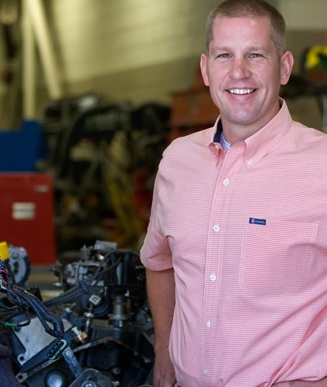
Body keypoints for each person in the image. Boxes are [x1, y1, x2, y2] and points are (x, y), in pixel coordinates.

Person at [140, 0, 327, 386]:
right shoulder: (177, 161)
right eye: (225, 55)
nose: (239, 72)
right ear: (206, 69)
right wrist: (164, 351)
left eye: (255, 54)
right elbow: (159, 262)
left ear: (285, 67)